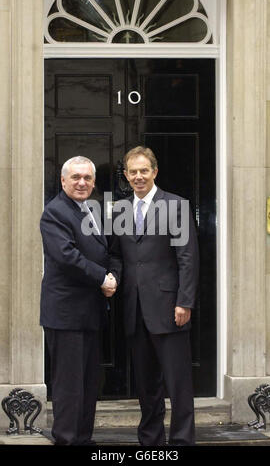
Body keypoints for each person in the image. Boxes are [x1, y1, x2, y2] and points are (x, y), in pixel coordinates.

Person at [109, 146, 199, 446]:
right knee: (146, 386)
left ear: (154, 172)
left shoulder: (176, 206)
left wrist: (185, 301)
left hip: (170, 308)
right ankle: (150, 441)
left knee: (178, 383)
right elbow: (117, 256)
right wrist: (113, 280)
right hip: (135, 310)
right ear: (126, 175)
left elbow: (188, 258)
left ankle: (182, 441)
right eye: (132, 171)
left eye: (143, 170)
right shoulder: (119, 209)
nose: (138, 176)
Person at [40, 156, 116, 446]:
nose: (82, 182)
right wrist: (103, 278)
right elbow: (67, 257)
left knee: (87, 384)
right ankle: (67, 439)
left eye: (87, 177)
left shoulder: (92, 210)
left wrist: (113, 276)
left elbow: (104, 251)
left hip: (91, 313)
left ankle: (83, 439)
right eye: (75, 177)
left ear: (94, 181)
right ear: (63, 180)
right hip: (66, 314)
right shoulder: (55, 213)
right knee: (69, 386)